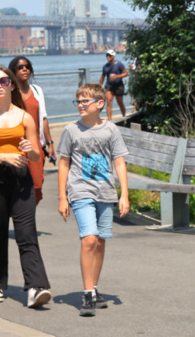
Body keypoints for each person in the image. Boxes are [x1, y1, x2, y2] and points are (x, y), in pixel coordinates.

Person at [0, 65, 51, 307]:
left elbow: (36, 155)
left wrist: (30, 150)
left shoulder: (25, 117)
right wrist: (3, 157)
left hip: (20, 177)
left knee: (26, 233)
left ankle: (36, 287)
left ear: (12, 85)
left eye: (4, 81)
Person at [57, 83, 130, 317]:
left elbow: (119, 161)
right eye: (77, 101)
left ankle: (94, 287)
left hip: (106, 192)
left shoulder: (111, 130)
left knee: (99, 242)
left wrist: (124, 195)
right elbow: (64, 163)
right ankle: (87, 293)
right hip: (80, 191)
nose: (80, 105)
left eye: (84, 101)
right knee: (88, 239)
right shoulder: (71, 130)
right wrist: (62, 197)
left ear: (99, 104)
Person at [9, 56, 54, 204]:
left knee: (37, 185)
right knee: (17, 187)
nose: (24, 69)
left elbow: (44, 118)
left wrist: (50, 143)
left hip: (36, 147)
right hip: (16, 147)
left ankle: (26, 219)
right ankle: (22, 221)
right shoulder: (9, 93)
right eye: (20, 67)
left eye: (27, 66)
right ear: (13, 71)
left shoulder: (37, 91)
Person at [98, 50, 128, 121]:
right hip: (109, 85)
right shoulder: (105, 66)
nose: (108, 57)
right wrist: (99, 86)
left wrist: (117, 76)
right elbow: (103, 76)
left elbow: (126, 73)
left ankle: (124, 117)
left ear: (113, 56)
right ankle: (109, 120)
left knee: (120, 103)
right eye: (107, 55)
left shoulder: (119, 64)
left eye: (109, 55)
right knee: (109, 101)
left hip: (118, 85)